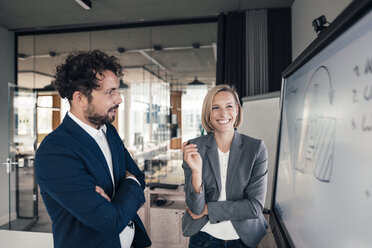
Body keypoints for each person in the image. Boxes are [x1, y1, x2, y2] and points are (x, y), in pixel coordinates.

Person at [35, 50, 151, 248]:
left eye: (117, 90)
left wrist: (123, 189)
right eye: (110, 92)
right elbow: (110, 221)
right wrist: (128, 182)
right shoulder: (54, 151)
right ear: (79, 98)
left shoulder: (109, 131)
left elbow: (139, 178)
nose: (119, 99)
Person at [182, 84, 268, 248]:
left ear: (237, 110)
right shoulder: (194, 147)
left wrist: (210, 210)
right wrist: (196, 172)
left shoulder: (256, 148)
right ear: (208, 112)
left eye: (229, 106)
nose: (223, 113)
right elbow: (195, 209)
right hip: (204, 238)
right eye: (216, 107)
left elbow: (254, 208)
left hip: (242, 240)